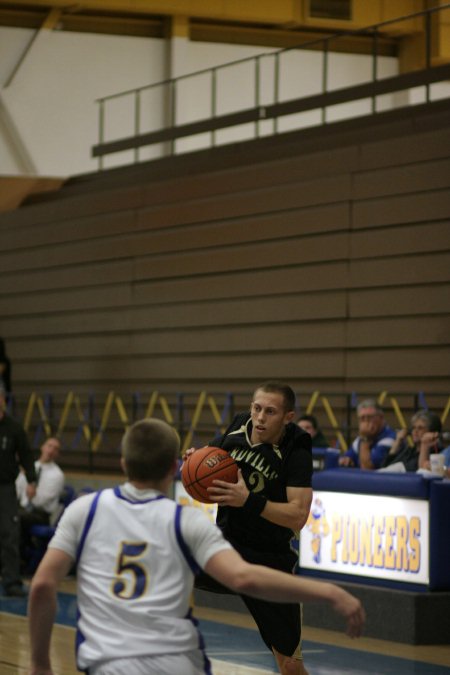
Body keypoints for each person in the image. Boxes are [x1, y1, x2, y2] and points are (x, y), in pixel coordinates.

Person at [28, 417, 365, 675]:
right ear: (176, 469)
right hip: (175, 663)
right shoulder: (184, 523)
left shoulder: (83, 511)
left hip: (105, 662)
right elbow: (246, 578)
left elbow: (42, 585)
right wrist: (330, 593)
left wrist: (41, 664)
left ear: (123, 463)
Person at [188, 381, 314, 675]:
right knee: (169, 567)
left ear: (288, 417)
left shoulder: (297, 450)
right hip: (225, 549)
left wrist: (248, 501)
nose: (260, 417)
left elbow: (298, 516)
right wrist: (194, 459)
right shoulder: (238, 428)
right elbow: (209, 455)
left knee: (291, 666)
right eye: (257, 408)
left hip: (268, 562)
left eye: (270, 412)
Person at [0, 383, 37, 597]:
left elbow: (26, 454)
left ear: (4, 400)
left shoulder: (14, 428)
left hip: (5, 488)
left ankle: (12, 581)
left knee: (9, 535)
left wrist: (32, 480)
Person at [16, 437, 65, 561]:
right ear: (42, 447)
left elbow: (41, 500)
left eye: (55, 449)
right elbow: (18, 491)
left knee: (15, 517)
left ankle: (19, 559)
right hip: (22, 508)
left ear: (57, 454)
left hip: (40, 514)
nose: (51, 450)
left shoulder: (57, 475)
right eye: (49, 446)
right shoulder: (30, 467)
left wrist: (30, 492)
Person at [378, 410, 443, 473]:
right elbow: (385, 467)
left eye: (420, 428)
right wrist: (397, 442)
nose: (415, 431)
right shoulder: (410, 450)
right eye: (414, 428)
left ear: (432, 432)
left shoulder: (436, 453)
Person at [338, 399, 395, 470]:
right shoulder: (360, 439)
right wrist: (346, 460)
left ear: (381, 418)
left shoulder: (390, 439)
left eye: (369, 417)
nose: (366, 422)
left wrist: (365, 439)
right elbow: (347, 457)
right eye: (362, 418)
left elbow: (367, 470)